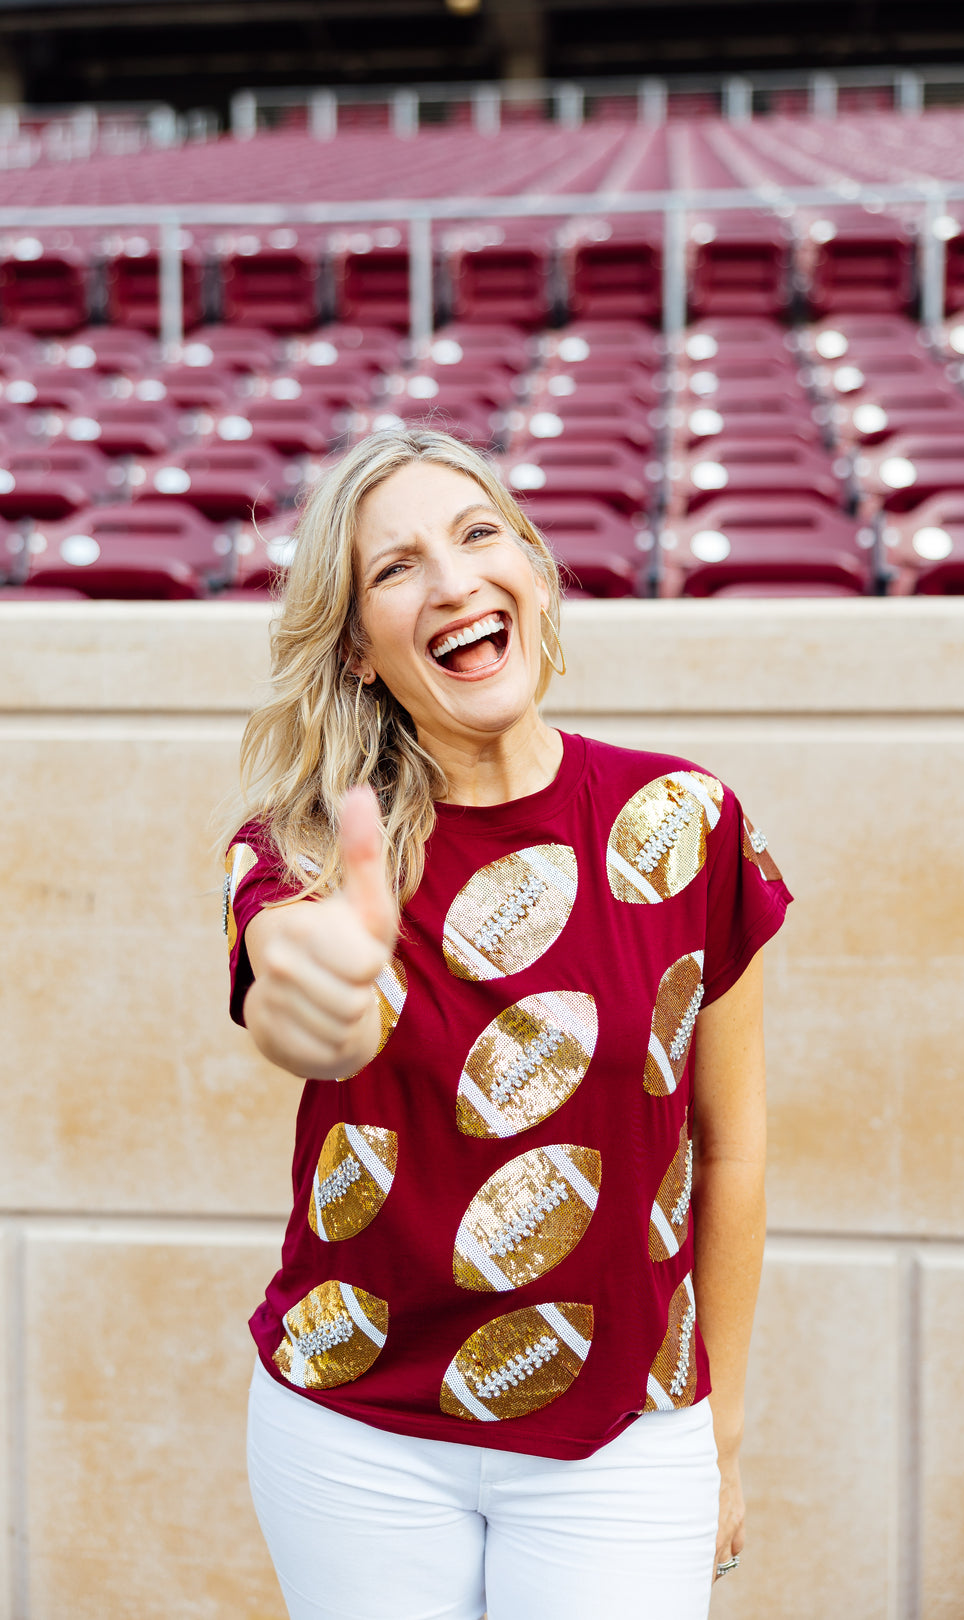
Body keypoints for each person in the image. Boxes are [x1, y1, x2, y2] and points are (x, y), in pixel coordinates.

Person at [222, 427, 791, 1620]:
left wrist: (720, 1431)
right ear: (363, 652)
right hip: (353, 1432)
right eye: (395, 568)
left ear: (533, 574)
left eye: (478, 535)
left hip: (627, 1435)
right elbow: (293, 996)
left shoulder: (685, 819)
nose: (452, 581)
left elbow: (729, 1145)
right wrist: (313, 1004)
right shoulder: (307, 852)